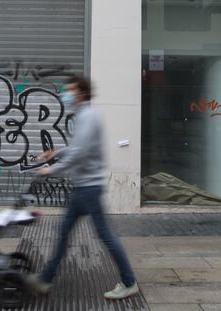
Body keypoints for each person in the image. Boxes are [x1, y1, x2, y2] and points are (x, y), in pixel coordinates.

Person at [28, 76, 139, 300]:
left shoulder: (88, 116)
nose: (65, 94)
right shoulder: (83, 115)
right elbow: (77, 147)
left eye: (69, 90)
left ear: (81, 92)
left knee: (105, 236)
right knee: (63, 233)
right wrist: (56, 153)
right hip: (82, 188)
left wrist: (53, 169)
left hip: (89, 188)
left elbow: (80, 153)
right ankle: (45, 280)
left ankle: (129, 282)